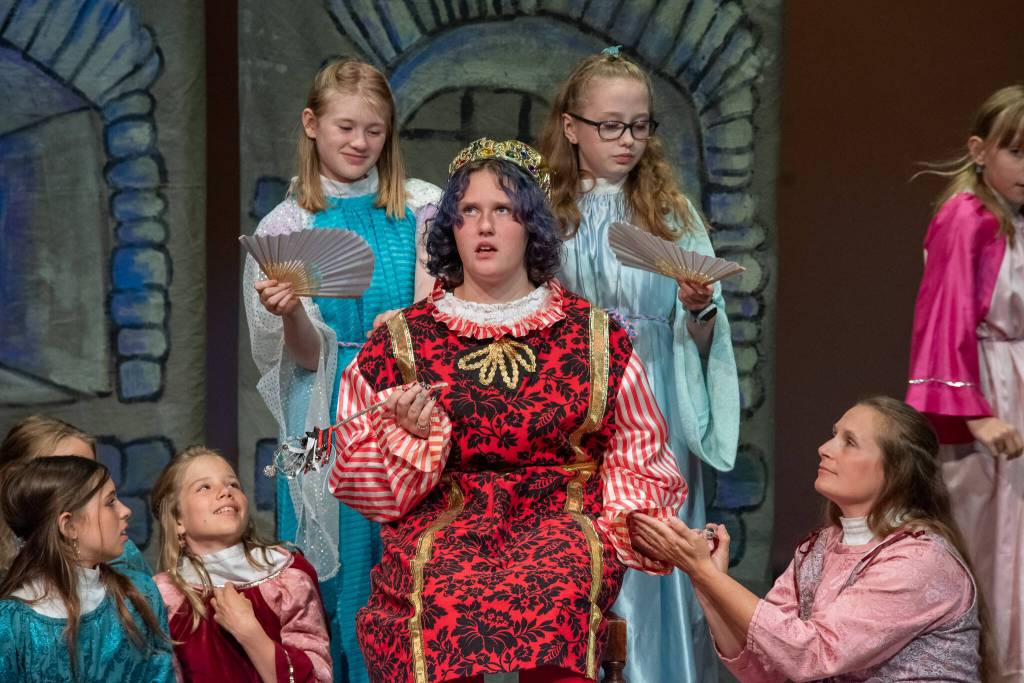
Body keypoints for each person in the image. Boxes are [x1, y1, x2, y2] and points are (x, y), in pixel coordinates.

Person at [320, 138, 686, 683]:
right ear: (452, 229)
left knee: (557, 585)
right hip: (447, 522)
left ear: (531, 225)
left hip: (560, 516)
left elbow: (636, 446)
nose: (484, 227)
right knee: (441, 591)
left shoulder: (593, 334)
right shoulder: (404, 340)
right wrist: (410, 435)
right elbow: (356, 470)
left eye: (503, 211)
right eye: (469, 211)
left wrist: (623, 523)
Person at [538, 46, 739, 683]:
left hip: (655, 395)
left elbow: (710, 341)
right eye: (611, 125)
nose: (628, 140)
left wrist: (697, 309)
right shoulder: (544, 212)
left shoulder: (671, 215)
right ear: (571, 125)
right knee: (579, 542)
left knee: (655, 540)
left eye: (641, 125)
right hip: (575, 400)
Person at [243, 58, 441, 682]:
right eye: (345, 128)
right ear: (311, 124)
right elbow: (301, 358)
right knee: (328, 575)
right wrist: (292, 313)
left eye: (375, 131)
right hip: (319, 407)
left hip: (404, 404)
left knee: (405, 570)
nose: (360, 143)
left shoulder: (422, 206)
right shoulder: (286, 226)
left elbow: (442, 319)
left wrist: (406, 328)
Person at [630, 396, 990, 682]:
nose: (825, 448)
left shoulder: (920, 561)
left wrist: (709, 576)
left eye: (849, 442)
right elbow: (763, 669)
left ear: (896, 471)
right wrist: (705, 580)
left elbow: (814, 653)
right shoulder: (818, 548)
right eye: (834, 434)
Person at [905, 84, 1024, 680]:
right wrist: (974, 411)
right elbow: (944, 318)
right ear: (980, 151)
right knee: (992, 544)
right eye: (1018, 152)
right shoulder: (967, 217)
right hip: (990, 394)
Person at [151, 446, 331, 682]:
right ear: (177, 520)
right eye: (204, 487)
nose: (225, 491)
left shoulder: (289, 578)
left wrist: (250, 633)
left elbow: (317, 678)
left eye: (233, 484)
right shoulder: (163, 597)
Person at [0, 456, 174, 681]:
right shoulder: (11, 625)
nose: (126, 511)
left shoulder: (140, 594)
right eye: (110, 502)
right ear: (69, 525)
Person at [0, 415, 150, 576]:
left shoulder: (123, 556)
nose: (81, 479)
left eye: (89, 469)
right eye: (62, 469)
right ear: (11, 477)